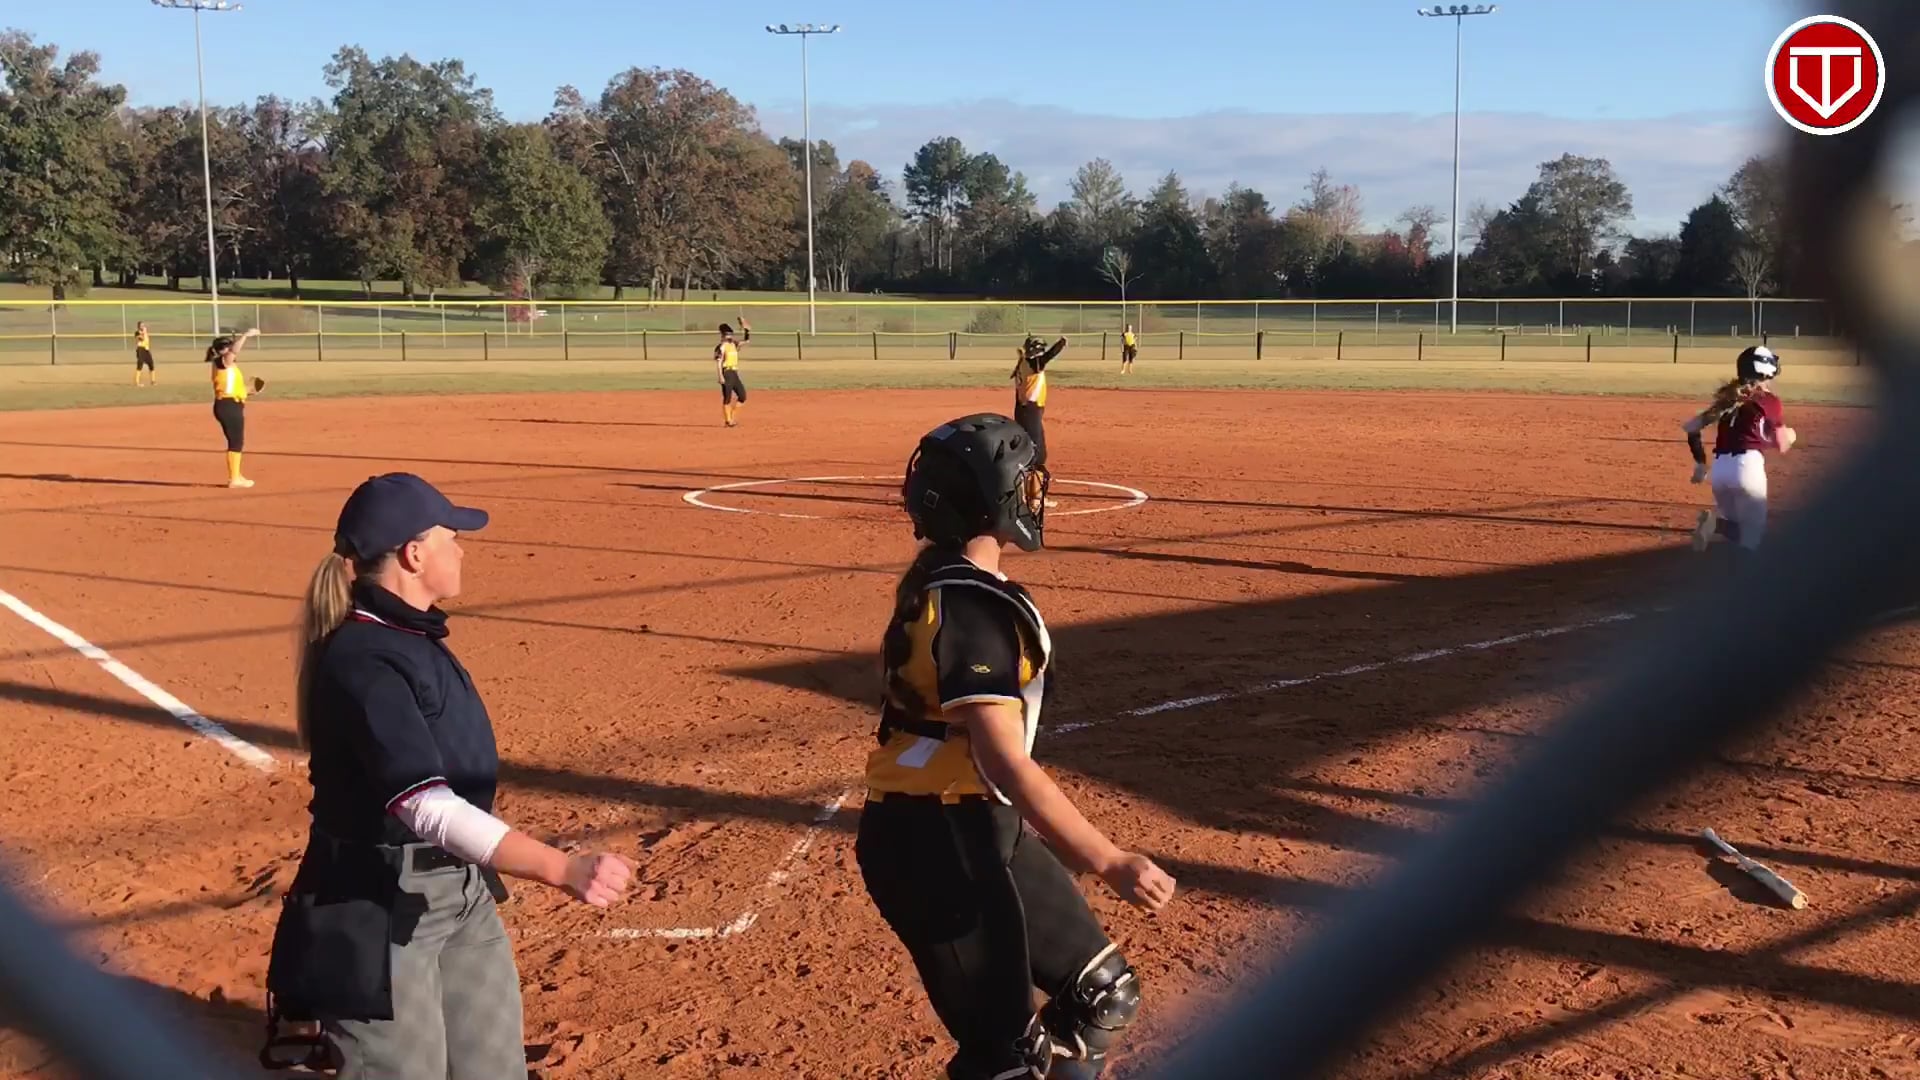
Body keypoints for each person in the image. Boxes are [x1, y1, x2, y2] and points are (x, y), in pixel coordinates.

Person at [264, 473, 635, 1078]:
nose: (460, 549)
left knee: (494, 1067)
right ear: (414, 554)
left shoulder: (409, 638)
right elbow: (424, 805)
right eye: (450, 536)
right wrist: (560, 868)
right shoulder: (363, 660)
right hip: (381, 904)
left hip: (462, 891)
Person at [857, 414, 1176, 1080]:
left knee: (1102, 997)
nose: (1035, 494)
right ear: (993, 499)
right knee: (1005, 1061)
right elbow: (1004, 760)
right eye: (1024, 483)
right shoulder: (969, 608)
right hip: (930, 841)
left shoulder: (963, 587)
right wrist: (1108, 859)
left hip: (980, 825)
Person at [1685, 344, 1797, 557]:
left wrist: (1700, 462)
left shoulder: (1728, 399)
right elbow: (1782, 444)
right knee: (1754, 537)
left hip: (1720, 471)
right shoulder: (1768, 400)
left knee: (1738, 532)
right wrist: (1791, 435)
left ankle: (1716, 526)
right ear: (1766, 370)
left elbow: (1691, 428)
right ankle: (1715, 525)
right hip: (1747, 468)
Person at [1010, 335, 1067, 510]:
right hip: (1031, 413)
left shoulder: (1024, 363)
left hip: (1023, 411)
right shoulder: (1033, 363)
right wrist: (1061, 344)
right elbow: (1047, 357)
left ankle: (1025, 495)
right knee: (1038, 456)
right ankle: (1035, 498)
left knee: (1027, 454)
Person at [208, 328, 265, 488]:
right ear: (221, 350)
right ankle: (234, 479)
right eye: (228, 347)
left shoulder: (229, 367)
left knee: (237, 441)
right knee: (236, 441)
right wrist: (246, 335)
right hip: (228, 406)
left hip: (231, 404)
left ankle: (237, 475)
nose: (231, 351)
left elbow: (234, 389)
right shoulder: (221, 362)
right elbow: (234, 351)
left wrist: (249, 391)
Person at [716, 317, 751, 427]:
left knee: (742, 396)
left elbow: (746, 341)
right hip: (726, 373)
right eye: (727, 334)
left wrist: (746, 330)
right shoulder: (721, 347)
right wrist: (720, 376)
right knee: (727, 397)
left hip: (734, 373)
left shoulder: (734, 344)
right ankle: (728, 420)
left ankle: (731, 416)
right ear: (722, 335)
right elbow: (719, 362)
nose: (730, 336)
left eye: (730, 334)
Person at [134, 321, 156, 387]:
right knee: (140, 364)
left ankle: (153, 381)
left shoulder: (145, 332)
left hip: (146, 350)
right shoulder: (137, 332)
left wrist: (145, 332)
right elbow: (141, 338)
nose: (143, 326)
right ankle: (137, 382)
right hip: (140, 349)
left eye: (143, 325)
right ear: (138, 326)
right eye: (141, 325)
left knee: (151, 364)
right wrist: (143, 333)